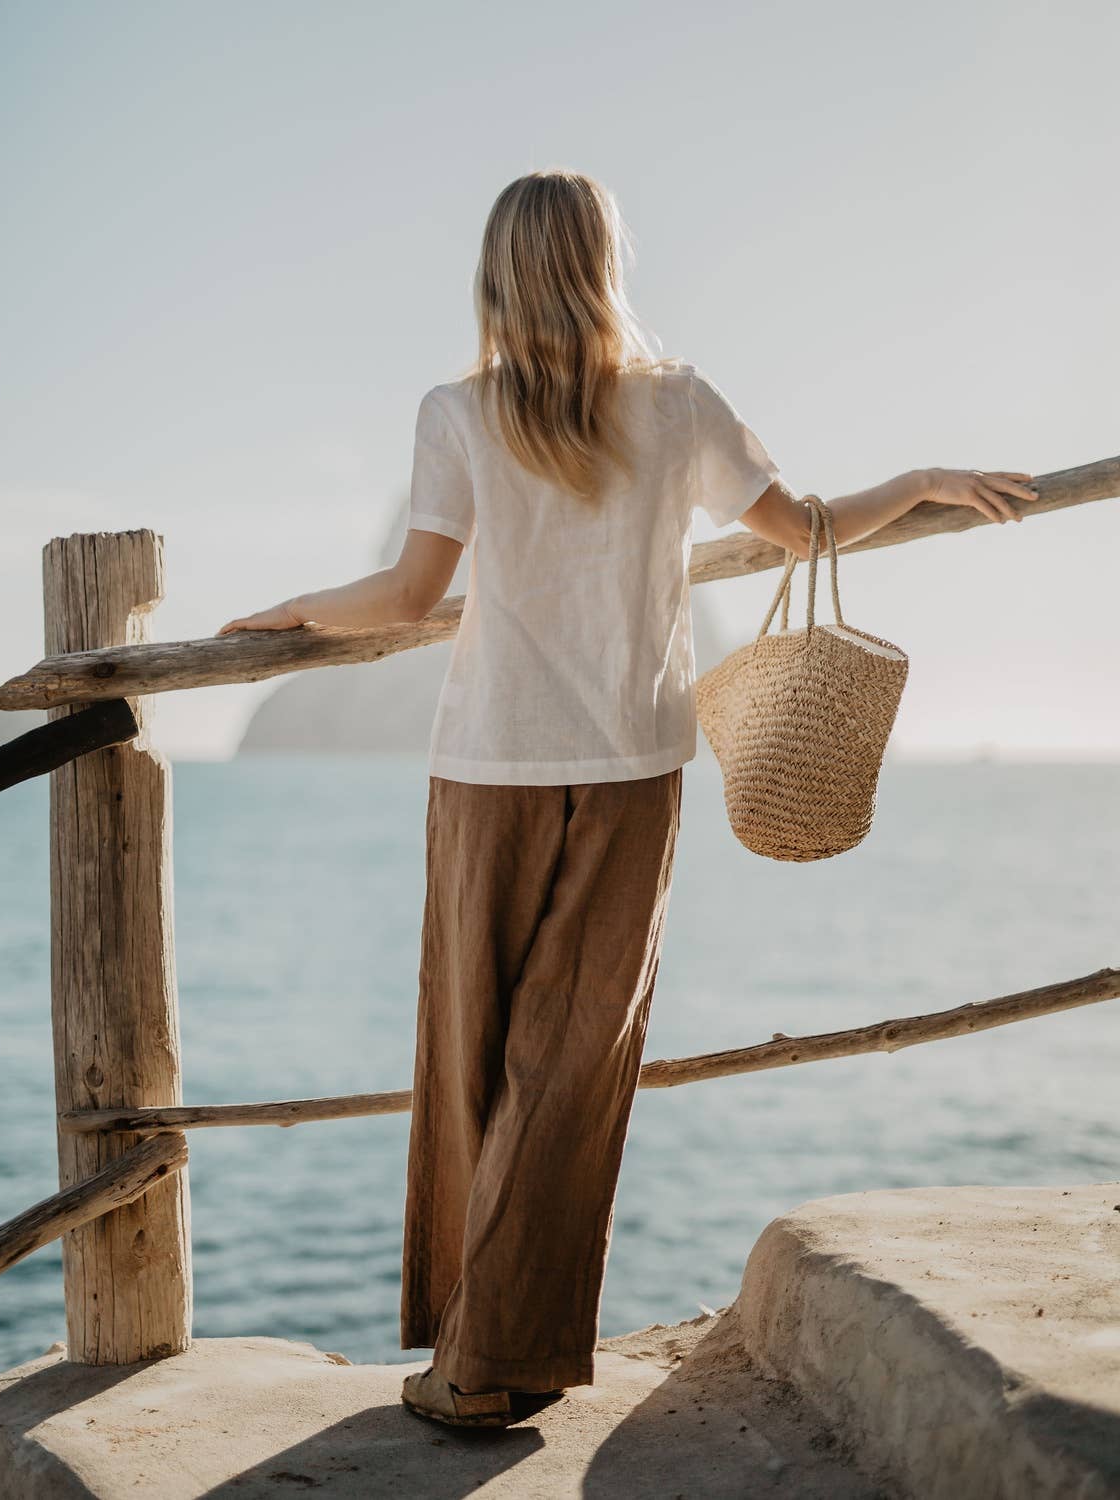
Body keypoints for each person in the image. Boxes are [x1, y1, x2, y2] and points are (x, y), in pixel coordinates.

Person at [216, 168, 1036, 1429]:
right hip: (635, 770)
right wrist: (921, 476)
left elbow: (401, 598)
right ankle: (508, 1353)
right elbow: (805, 528)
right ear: (607, 262)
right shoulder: (677, 405)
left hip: (488, 770)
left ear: (495, 273)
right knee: (573, 1067)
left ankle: (472, 1359)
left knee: (472, 1057)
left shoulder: (459, 413)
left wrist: (286, 612)